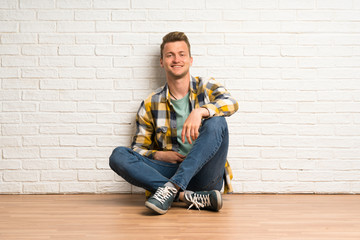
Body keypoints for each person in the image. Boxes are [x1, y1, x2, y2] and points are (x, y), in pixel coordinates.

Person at [109, 31, 238, 215]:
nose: (176, 59)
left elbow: (232, 103)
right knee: (118, 155)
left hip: (206, 174)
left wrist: (200, 111)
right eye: (170, 55)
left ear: (190, 60)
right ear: (162, 62)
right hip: (168, 172)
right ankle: (185, 196)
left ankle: (172, 189)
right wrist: (159, 156)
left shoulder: (206, 86)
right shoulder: (150, 104)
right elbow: (137, 149)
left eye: (181, 54)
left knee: (217, 122)